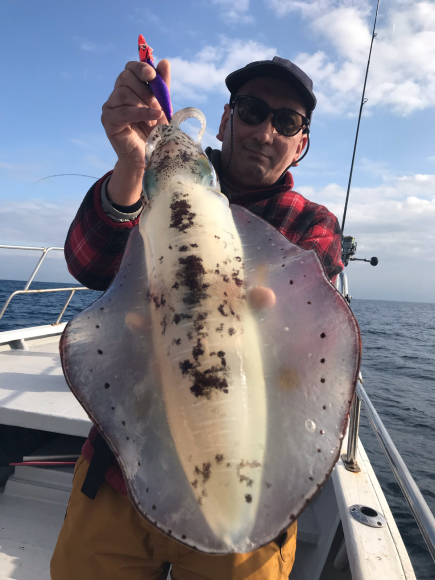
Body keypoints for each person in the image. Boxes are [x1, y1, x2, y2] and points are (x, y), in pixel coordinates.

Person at [51, 56, 343, 580]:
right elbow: (89, 261)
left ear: (300, 143)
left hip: (245, 489)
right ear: (227, 119)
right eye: (253, 111)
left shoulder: (310, 223)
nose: (265, 131)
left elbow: (306, 338)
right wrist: (132, 166)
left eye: (287, 122)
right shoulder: (151, 179)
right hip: (120, 471)